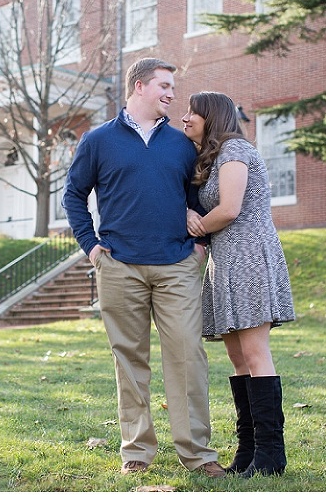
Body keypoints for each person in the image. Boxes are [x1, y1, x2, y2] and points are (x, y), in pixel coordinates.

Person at [62, 58, 224, 478]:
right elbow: (74, 195)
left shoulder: (181, 145)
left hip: (177, 265)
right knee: (129, 361)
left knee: (188, 355)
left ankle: (198, 454)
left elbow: (198, 198)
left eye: (173, 87)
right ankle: (136, 449)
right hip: (119, 266)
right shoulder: (97, 140)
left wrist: (200, 243)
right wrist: (92, 248)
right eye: (164, 86)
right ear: (139, 86)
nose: (172, 94)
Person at [183, 91, 295, 478]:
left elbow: (229, 209)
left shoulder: (234, 150)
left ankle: (270, 455)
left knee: (254, 351)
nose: (185, 118)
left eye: (192, 113)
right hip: (225, 260)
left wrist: (195, 223)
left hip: (248, 255)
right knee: (236, 357)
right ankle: (249, 451)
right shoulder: (211, 158)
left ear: (210, 116)